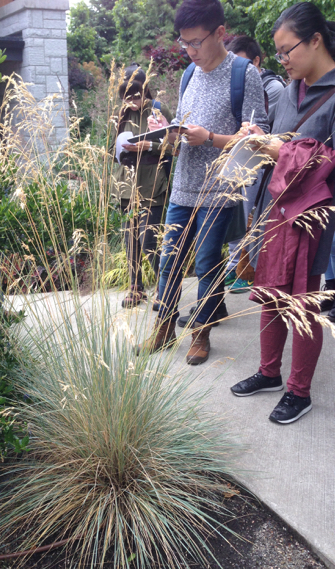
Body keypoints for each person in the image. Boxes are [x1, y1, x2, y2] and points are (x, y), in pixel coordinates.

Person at [137, 0, 268, 364]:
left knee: (208, 263)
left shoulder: (245, 74)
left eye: (196, 42)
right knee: (169, 261)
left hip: (220, 191)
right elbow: (181, 129)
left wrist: (210, 137)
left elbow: (260, 140)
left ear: (220, 33)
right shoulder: (188, 75)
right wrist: (166, 134)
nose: (190, 51)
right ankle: (162, 330)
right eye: (184, 43)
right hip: (183, 186)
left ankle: (201, 334)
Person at [230, 2, 335, 424]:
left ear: (315, 40)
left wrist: (281, 149)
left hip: (311, 216)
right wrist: (260, 138)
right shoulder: (289, 91)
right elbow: (280, 142)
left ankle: (299, 391)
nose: (283, 61)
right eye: (278, 53)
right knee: (271, 293)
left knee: (303, 301)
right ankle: (270, 373)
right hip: (274, 210)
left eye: (287, 50)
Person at [224, 36, 286, 294]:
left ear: (256, 61)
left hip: (261, 163)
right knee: (238, 214)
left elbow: (276, 132)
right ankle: (234, 268)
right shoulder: (234, 85)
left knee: (251, 216)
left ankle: (245, 270)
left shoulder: (273, 89)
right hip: (240, 159)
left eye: (242, 63)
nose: (239, 71)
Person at [111, 65, 172, 309]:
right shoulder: (120, 114)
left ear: (145, 90)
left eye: (137, 95)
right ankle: (135, 287)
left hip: (152, 182)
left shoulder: (157, 109)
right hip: (126, 184)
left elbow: (173, 146)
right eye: (128, 95)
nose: (133, 100)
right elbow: (108, 147)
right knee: (130, 240)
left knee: (149, 239)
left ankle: (164, 287)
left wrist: (148, 146)